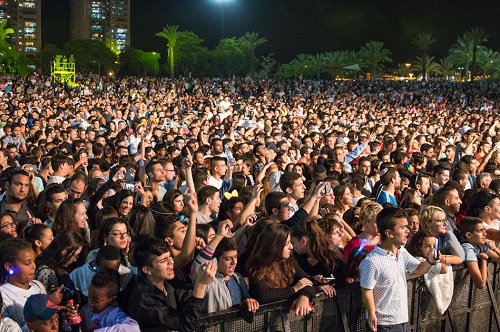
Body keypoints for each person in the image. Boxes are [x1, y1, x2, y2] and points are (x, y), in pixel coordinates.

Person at [360, 207, 437, 332]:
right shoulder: (372, 261)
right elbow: (366, 290)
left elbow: (418, 270)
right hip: (384, 324)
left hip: (402, 320)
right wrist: (372, 313)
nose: (408, 231)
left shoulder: (402, 252)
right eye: (402, 228)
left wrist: (430, 261)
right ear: (389, 233)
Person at [128, 237, 216, 331]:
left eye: (170, 256)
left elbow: (188, 298)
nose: (171, 262)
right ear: (147, 270)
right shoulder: (144, 300)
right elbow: (185, 326)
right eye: (163, 261)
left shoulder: (167, 281)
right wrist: (200, 285)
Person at [191, 220, 259, 313]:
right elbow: (199, 264)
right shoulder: (208, 280)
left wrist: (249, 302)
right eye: (228, 259)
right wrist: (219, 236)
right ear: (216, 260)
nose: (234, 262)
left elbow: (244, 303)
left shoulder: (238, 278)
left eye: (235, 257)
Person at [246, 223, 315, 316]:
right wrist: (294, 289)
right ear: (275, 246)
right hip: (263, 318)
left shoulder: (288, 259)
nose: (291, 247)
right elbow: (263, 295)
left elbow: (305, 281)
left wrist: (305, 296)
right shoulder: (256, 265)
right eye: (287, 244)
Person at [0, 238, 63, 331]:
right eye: (27, 263)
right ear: (9, 267)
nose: (34, 266)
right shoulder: (4, 294)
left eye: (34, 261)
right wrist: (49, 302)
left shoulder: (37, 285)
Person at [67, 245, 134, 303]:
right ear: (96, 263)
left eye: (115, 270)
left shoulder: (126, 275)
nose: (110, 274)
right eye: (106, 270)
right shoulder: (77, 276)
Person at [459, 216, 500, 289]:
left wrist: (496, 249)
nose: (485, 234)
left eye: (484, 230)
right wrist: (484, 260)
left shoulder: (480, 244)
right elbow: (480, 284)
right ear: (468, 235)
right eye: (480, 231)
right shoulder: (467, 248)